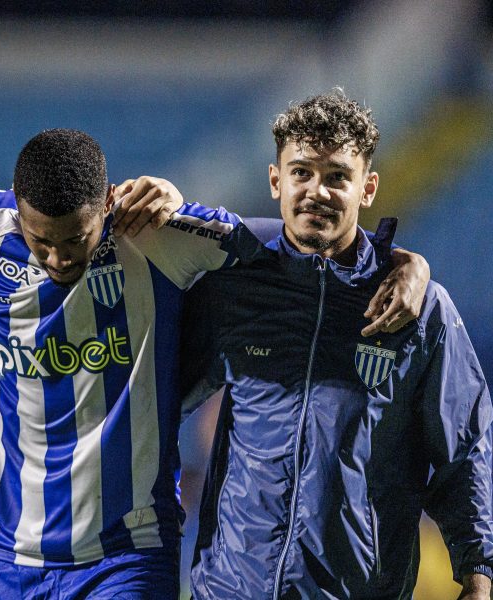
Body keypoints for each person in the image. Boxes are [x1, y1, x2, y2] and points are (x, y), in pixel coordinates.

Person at [0, 127, 431, 599]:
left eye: (76, 239)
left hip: (127, 556)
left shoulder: (158, 236)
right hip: (8, 553)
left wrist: (404, 261)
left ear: (108, 204)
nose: (59, 258)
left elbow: (301, 242)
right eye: (41, 240)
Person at [181, 91, 493, 599]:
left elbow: (466, 448)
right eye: (301, 172)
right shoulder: (232, 287)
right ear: (275, 180)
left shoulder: (420, 310)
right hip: (231, 588)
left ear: (367, 188)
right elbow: (154, 401)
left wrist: (479, 576)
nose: (316, 191)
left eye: (337, 177)